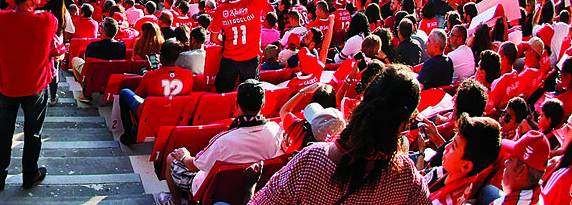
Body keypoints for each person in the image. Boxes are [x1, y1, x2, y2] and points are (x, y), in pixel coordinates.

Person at [252, 65, 431, 205]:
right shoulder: (406, 176)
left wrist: (249, 186)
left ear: (364, 101)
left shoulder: (312, 161)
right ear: (405, 122)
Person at [164, 79, 282, 204]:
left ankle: (174, 202)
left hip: (209, 190)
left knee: (171, 158)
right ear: (262, 105)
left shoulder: (224, 141)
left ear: (236, 104)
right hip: (252, 186)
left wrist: (183, 156)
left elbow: (194, 166)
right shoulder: (276, 130)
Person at [0, 0, 57, 190]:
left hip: (6, 88)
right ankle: (29, 174)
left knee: (4, 135)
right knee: (33, 134)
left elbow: (6, 10)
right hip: (35, 90)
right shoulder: (47, 20)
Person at [211, 0, 281, 93]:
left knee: (221, 93)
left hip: (229, 59)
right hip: (251, 59)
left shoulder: (221, 10)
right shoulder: (254, 1)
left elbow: (214, 38)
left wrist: (227, 43)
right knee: (249, 95)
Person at [118, 40, 193, 145]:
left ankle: (128, 134)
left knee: (124, 92)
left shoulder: (150, 76)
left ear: (161, 56)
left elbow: (138, 95)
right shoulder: (188, 75)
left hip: (151, 113)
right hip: (175, 113)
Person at [424, 115, 503, 205]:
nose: (446, 147)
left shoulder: (442, 202)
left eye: (454, 146)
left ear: (466, 166)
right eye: (451, 142)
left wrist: (420, 154)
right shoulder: (453, 174)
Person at [495, 131, 549, 205]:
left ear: (521, 171)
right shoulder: (537, 192)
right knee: (489, 191)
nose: (506, 162)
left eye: (511, 159)